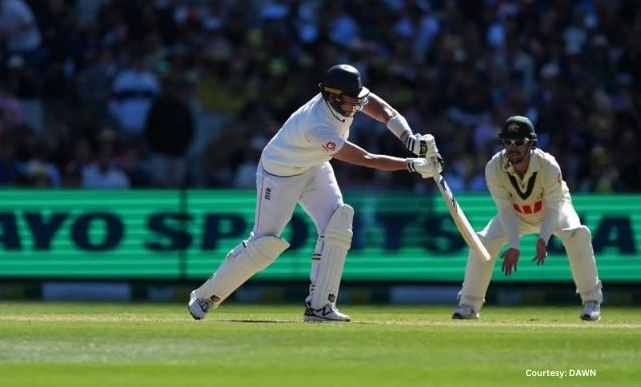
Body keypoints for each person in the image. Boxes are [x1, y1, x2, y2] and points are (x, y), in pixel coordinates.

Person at [188, 64, 442, 322]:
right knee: (265, 243)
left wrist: (409, 138)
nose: (357, 106)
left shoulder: (347, 97)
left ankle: (320, 307)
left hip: (314, 165)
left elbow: (386, 111)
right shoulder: (317, 125)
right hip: (279, 174)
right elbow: (365, 158)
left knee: (338, 224)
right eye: (351, 101)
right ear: (333, 96)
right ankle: (205, 297)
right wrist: (410, 164)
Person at [452, 116, 603, 321]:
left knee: (577, 234)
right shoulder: (493, 167)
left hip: (554, 210)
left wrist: (543, 238)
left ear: (531, 144)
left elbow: (553, 206)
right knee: (483, 241)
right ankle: (468, 305)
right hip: (516, 214)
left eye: (519, 142)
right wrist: (514, 245)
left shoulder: (548, 165)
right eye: (507, 142)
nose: (512, 148)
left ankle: (592, 301)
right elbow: (505, 210)